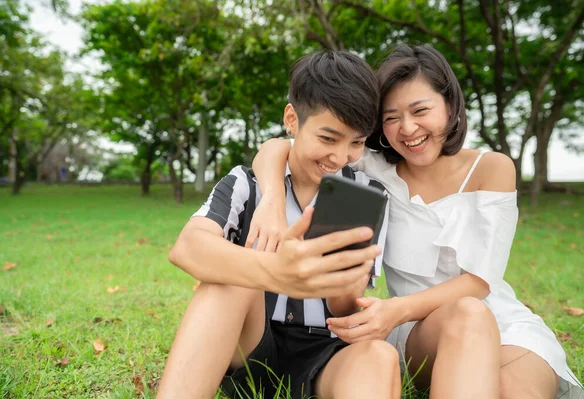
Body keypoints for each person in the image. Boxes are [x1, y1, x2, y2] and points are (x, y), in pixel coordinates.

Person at [249, 44, 584, 399]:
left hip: (500, 323)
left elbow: (479, 282)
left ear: (450, 106)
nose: (408, 129)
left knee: (514, 391)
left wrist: (394, 309)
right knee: (466, 320)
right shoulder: (373, 166)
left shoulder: (492, 168)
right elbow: (278, 146)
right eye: (391, 117)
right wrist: (271, 200)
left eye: (420, 110)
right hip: (416, 332)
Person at [156, 51, 401, 399]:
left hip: (325, 353)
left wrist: (346, 279)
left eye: (357, 143)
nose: (339, 157)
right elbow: (187, 248)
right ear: (292, 120)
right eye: (328, 138)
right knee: (231, 278)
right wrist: (276, 271)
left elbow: (344, 310)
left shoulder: (365, 195)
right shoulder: (247, 183)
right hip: (251, 342)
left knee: (379, 356)